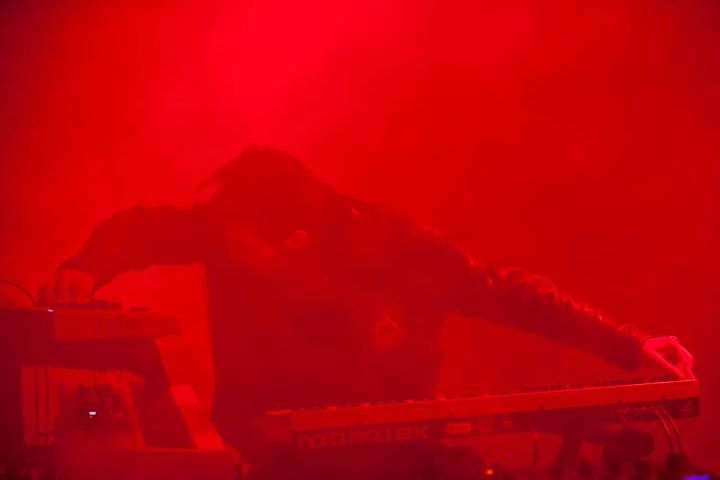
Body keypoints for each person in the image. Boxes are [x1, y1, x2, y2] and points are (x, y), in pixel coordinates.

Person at [41, 146, 694, 478]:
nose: (229, 255)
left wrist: (630, 344)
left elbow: (508, 292)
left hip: (398, 464)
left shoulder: (396, 250)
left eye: (246, 249)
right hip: (270, 463)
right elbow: (143, 229)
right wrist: (84, 266)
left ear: (296, 240)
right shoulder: (232, 230)